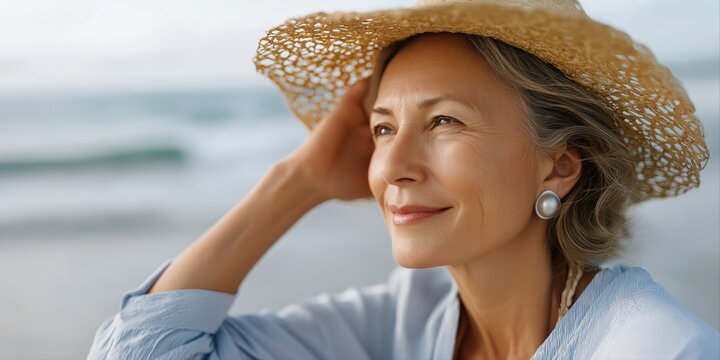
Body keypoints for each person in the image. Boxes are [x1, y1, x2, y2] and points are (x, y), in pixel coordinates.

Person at [88, 0, 719, 359]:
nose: (391, 167)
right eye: (384, 129)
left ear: (558, 164)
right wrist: (298, 180)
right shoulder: (404, 320)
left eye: (444, 120)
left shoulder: (655, 347)